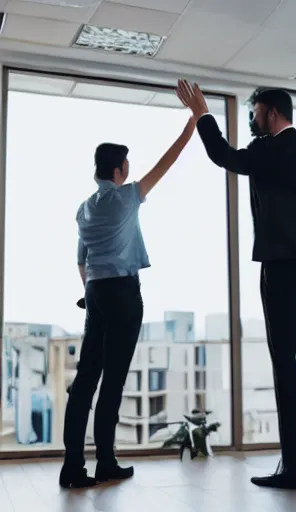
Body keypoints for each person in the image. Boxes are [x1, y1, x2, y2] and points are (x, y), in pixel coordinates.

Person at [176, 80, 296, 490]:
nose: (251, 120)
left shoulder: (266, 151)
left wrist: (202, 115)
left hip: (281, 271)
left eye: (254, 113)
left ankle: (294, 468)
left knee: (286, 364)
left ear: (271, 111)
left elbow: (223, 155)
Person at [59, 116, 196, 489]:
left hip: (96, 294)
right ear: (119, 170)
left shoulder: (84, 209)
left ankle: (72, 466)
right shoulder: (126, 197)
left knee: (86, 379)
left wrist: (90, 290)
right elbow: (168, 162)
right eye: (127, 166)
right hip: (122, 294)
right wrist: (192, 122)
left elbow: (80, 260)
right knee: (113, 382)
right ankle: (106, 461)